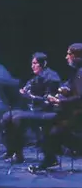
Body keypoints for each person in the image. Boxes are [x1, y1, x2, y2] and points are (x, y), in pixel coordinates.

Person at [30, 44, 82, 172]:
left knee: (53, 130)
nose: (66, 57)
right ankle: (50, 158)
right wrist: (64, 90)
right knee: (52, 130)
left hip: (77, 114)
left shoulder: (81, 72)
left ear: (77, 56)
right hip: (71, 111)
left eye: (69, 54)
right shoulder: (76, 71)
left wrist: (60, 101)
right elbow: (70, 86)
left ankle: (50, 159)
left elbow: (80, 98)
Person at [2, 52, 61, 163]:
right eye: (32, 63)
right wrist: (23, 92)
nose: (32, 66)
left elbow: (49, 101)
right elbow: (28, 89)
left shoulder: (52, 78)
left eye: (35, 63)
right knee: (7, 116)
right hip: (35, 110)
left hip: (47, 112)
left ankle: (19, 155)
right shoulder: (36, 77)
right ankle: (11, 150)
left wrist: (31, 97)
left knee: (17, 118)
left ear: (43, 64)